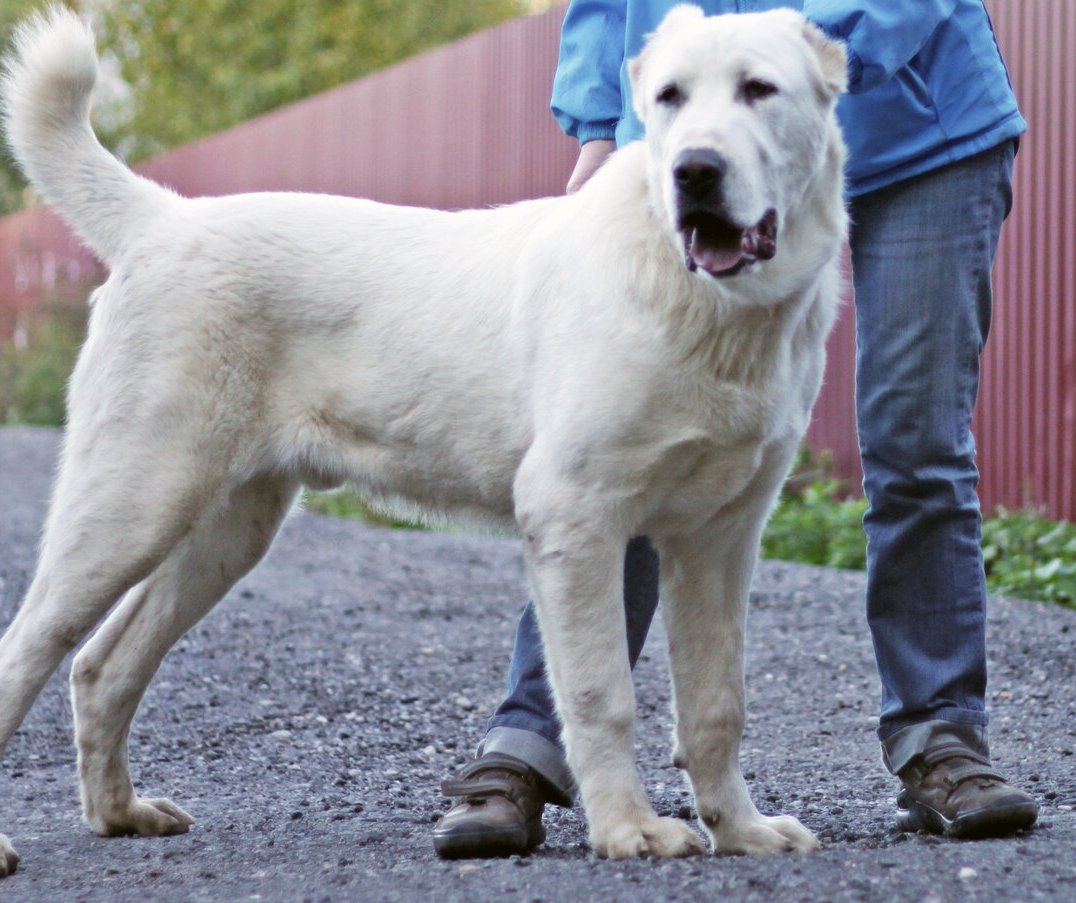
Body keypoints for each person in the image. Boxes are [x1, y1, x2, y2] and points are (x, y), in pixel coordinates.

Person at [433, 0, 1038, 858]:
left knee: (917, 445)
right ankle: (533, 745)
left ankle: (940, 737)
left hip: (917, 123)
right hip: (701, 136)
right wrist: (610, 124)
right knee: (629, 437)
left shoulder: (822, 68)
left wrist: (800, 58)